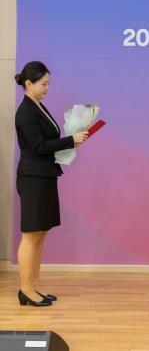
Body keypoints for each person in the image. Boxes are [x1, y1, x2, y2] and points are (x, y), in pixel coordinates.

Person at [14, 61, 88, 307]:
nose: (47, 88)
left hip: (45, 176)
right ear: (28, 84)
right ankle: (25, 289)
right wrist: (70, 140)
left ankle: (34, 285)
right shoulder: (25, 111)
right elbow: (38, 146)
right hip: (33, 179)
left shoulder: (38, 106)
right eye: (43, 84)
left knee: (40, 233)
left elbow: (47, 141)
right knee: (30, 235)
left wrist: (71, 140)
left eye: (48, 84)